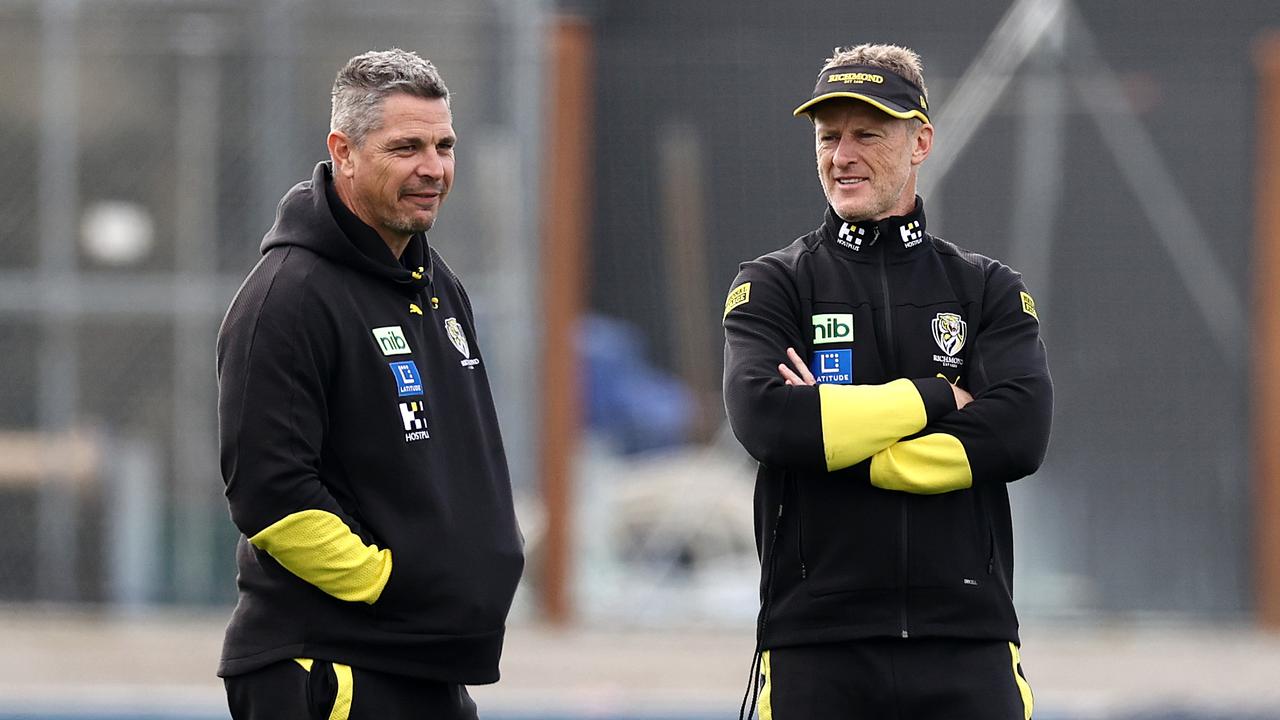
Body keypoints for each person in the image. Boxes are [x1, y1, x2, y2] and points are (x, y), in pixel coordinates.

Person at [722, 43, 1052, 719]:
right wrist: (936, 397)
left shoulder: (984, 289)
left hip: (968, 641)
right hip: (816, 644)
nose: (842, 156)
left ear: (921, 141)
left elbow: (1019, 431)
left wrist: (846, 446)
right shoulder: (775, 284)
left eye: (866, 134)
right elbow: (766, 420)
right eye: (828, 136)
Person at [216, 48, 524, 720]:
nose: (434, 169)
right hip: (334, 666)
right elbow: (270, 494)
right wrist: (392, 583)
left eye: (444, 146)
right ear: (344, 151)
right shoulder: (288, 298)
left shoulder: (439, 287)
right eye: (407, 147)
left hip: (425, 665)